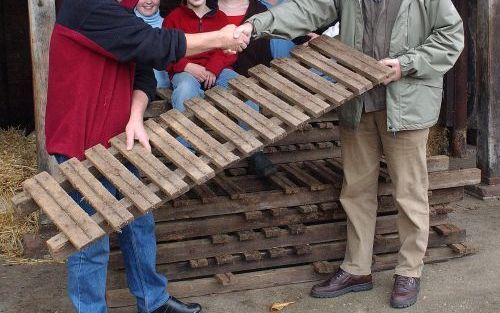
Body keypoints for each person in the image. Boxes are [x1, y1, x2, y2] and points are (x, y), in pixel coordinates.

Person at [236, 0, 464, 308]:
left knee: (409, 193)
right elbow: (308, 9)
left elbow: (451, 35)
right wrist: (256, 25)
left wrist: (406, 64)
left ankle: (409, 270)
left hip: (407, 103)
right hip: (358, 100)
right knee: (356, 189)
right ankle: (357, 269)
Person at [45, 0, 248, 312]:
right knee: (91, 241)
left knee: (139, 223)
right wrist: (222, 38)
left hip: (119, 137)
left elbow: (144, 74)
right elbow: (155, 44)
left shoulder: (121, 13)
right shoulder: (87, 6)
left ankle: (153, 302)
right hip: (80, 144)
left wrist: (135, 115)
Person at [164, 0, 276, 177]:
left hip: (217, 70)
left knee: (241, 86)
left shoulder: (220, 18)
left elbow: (228, 50)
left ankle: (254, 149)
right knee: (185, 90)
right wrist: (186, 66)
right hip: (187, 70)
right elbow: (166, 50)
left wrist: (212, 68)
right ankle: (187, 153)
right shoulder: (173, 18)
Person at [134, 0, 170, 88]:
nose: (149, 2)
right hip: (136, 91)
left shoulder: (169, 23)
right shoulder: (125, 25)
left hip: (167, 91)